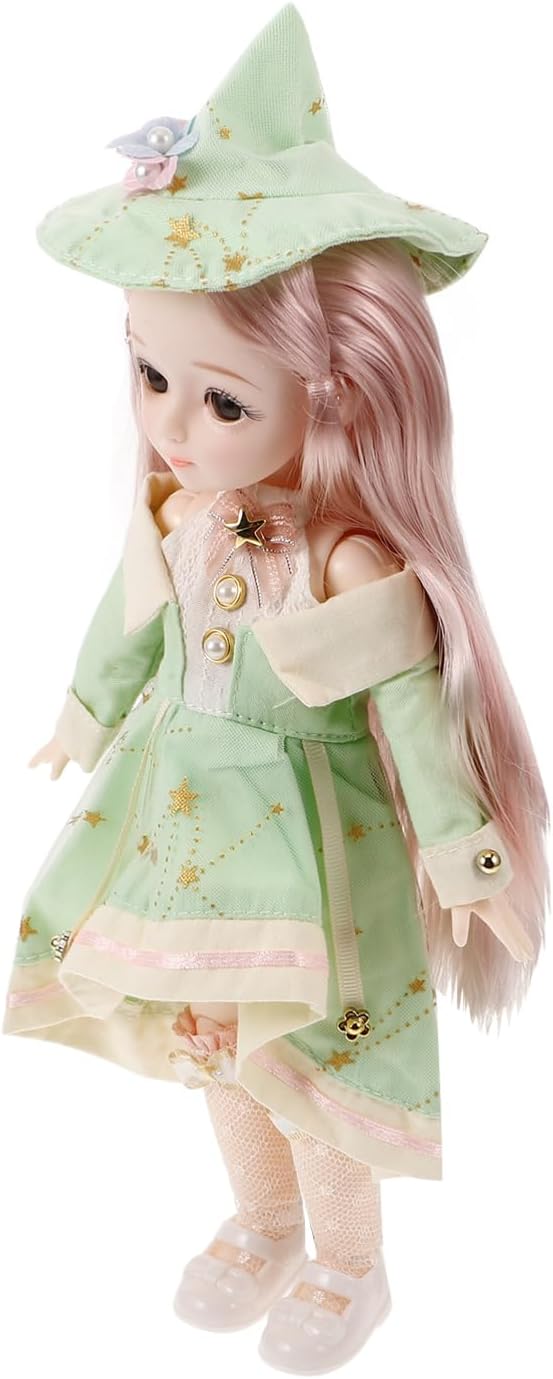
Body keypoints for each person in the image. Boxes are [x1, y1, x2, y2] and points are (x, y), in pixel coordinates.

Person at [3, 5, 548, 1373]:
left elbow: (416, 717)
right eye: (150, 375)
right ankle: (258, 1219)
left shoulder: (347, 559)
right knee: (212, 1047)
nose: (171, 424)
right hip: (181, 824)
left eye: (222, 400)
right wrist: (82, 714)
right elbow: (130, 620)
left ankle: (349, 1259)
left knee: (312, 1066)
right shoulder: (181, 513)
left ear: (339, 392)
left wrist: (467, 855)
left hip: (314, 850)